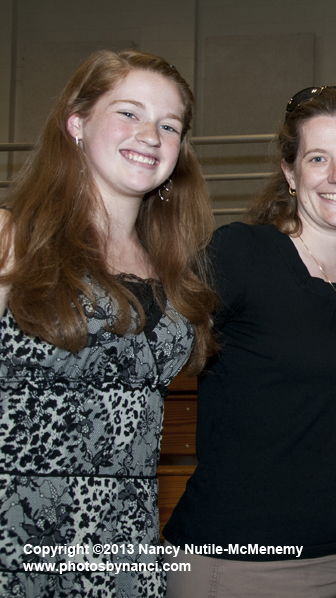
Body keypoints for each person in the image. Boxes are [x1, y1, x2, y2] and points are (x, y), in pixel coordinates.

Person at [163, 86, 336, 598]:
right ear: (291, 174)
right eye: (318, 158)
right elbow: (148, 336)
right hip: (248, 565)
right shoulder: (242, 254)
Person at [0, 50, 216, 597]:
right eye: (129, 113)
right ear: (77, 123)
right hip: (18, 550)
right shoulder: (13, 238)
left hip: (127, 554)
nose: (150, 134)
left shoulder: (172, 265)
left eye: (169, 125)